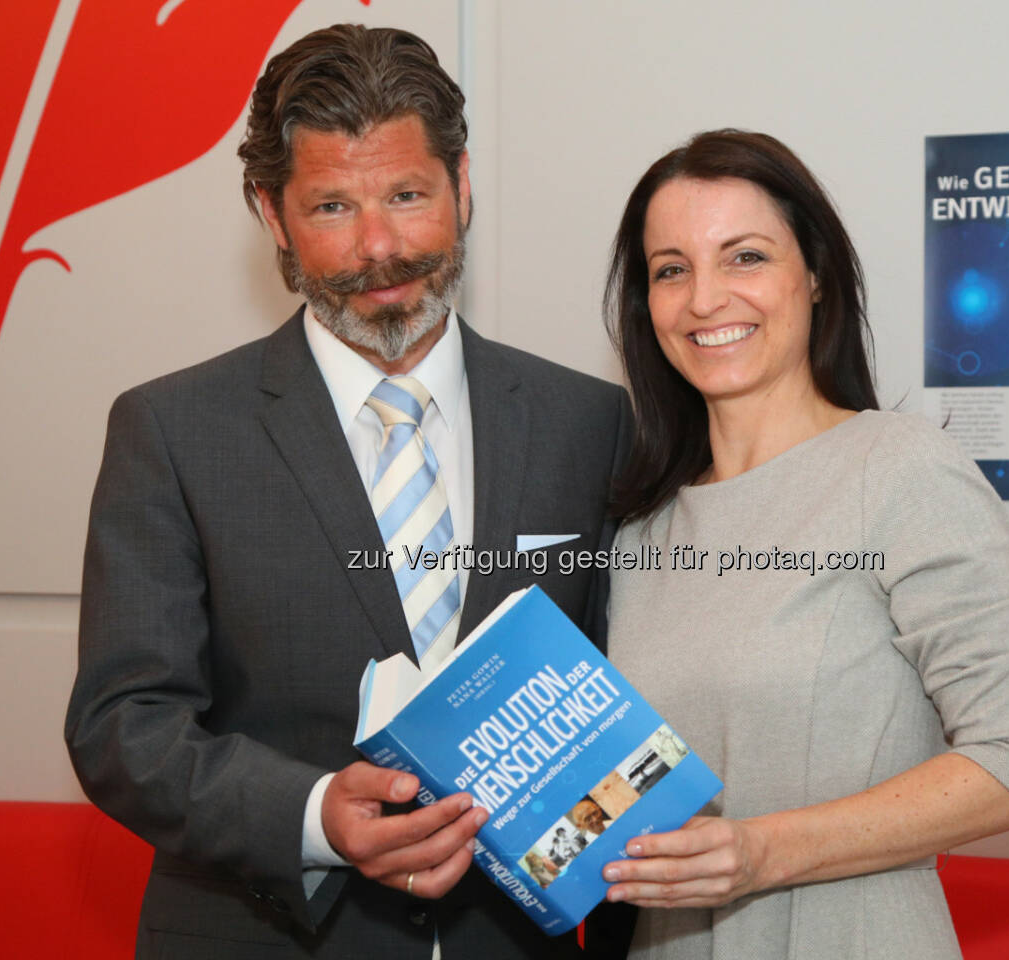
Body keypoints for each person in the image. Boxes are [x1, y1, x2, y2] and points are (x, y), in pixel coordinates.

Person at [65, 25, 631, 959]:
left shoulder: (590, 421)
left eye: (408, 195)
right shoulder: (171, 431)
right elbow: (122, 726)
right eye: (332, 206)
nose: (379, 247)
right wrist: (318, 814)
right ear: (271, 213)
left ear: (462, 186)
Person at [600, 130, 1009, 959]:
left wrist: (761, 853)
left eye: (744, 257)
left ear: (813, 275)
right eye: (672, 269)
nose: (705, 298)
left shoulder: (899, 469)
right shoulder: (641, 527)